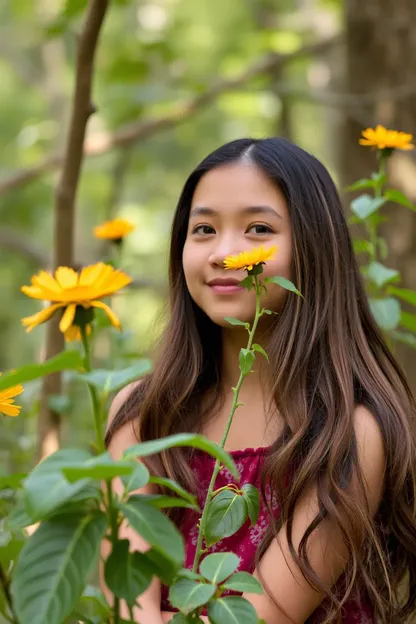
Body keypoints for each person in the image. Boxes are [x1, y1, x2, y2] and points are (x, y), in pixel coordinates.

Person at [102, 137, 416, 623]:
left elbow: (260, 617)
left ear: (313, 247)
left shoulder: (347, 434)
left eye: (258, 229)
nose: (226, 253)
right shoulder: (144, 414)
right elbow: (128, 601)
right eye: (203, 228)